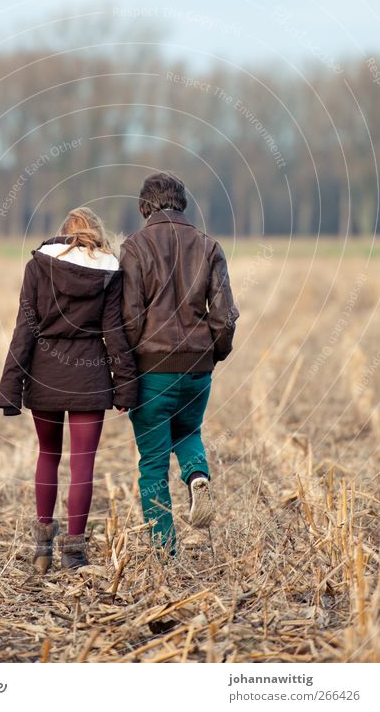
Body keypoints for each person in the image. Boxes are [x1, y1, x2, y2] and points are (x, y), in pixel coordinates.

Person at [0, 207, 138, 572]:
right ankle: (73, 554)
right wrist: (125, 386)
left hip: (44, 376)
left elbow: (24, 329)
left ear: (63, 234)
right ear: (97, 233)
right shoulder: (109, 272)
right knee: (83, 466)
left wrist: (11, 386)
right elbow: (114, 334)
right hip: (89, 380)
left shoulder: (38, 267)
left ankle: (42, 547)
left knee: (48, 455)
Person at [120, 173, 239, 556]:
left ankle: (164, 551)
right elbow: (225, 316)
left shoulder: (135, 247)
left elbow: (130, 317)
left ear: (144, 208)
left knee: (153, 461)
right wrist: (212, 353)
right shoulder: (208, 246)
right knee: (188, 432)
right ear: (182, 205)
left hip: (152, 371)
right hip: (197, 369)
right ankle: (197, 475)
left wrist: (135, 359)